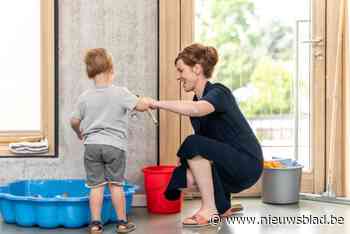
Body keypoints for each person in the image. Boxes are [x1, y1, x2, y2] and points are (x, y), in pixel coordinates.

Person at [149, 43, 264, 227]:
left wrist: (156, 104)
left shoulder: (219, 92)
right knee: (182, 175)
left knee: (192, 143)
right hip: (228, 164)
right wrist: (185, 160)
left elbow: (196, 110)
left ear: (196, 69)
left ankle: (209, 208)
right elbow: (209, 152)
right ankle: (221, 207)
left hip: (247, 162)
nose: (178, 77)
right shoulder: (197, 99)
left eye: (181, 70)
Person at [70, 48, 152, 234]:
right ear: (111, 69)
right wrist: (146, 101)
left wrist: (79, 133)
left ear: (89, 72)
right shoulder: (121, 93)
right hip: (114, 146)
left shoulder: (85, 97)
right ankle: (122, 223)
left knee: (96, 186)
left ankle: (95, 224)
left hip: (91, 145)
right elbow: (140, 105)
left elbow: (74, 121)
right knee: (116, 185)